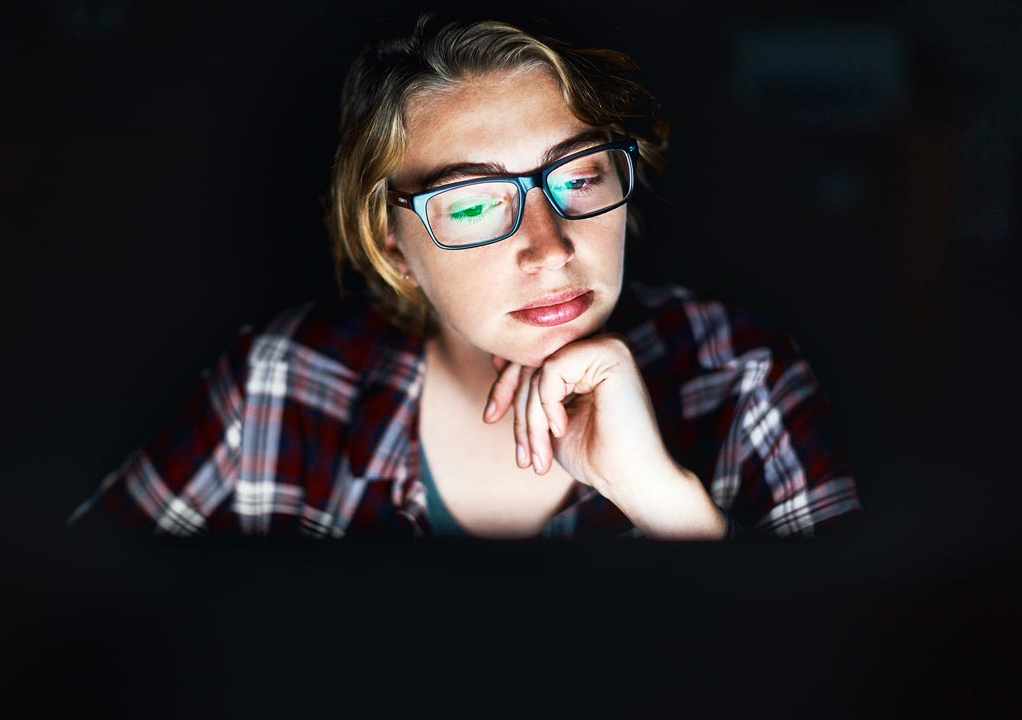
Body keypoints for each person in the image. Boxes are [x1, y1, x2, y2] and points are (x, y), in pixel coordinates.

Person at [67, 11, 862, 539]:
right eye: (475, 204)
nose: (550, 248)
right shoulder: (277, 385)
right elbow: (63, 635)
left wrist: (671, 508)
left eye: (579, 177)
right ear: (393, 250)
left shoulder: (744, 376)